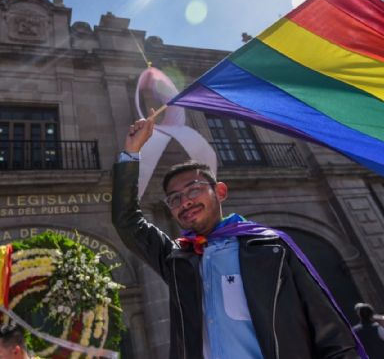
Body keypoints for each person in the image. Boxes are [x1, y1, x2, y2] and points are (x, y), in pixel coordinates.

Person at [111, 113, 359, 358]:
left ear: (219, 191)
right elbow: (127, 221)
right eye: (175, 199)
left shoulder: (272, 249)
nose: (185, 201)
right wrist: (132, 152)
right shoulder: (178, 260)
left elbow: (332, 335)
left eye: (193, 190)